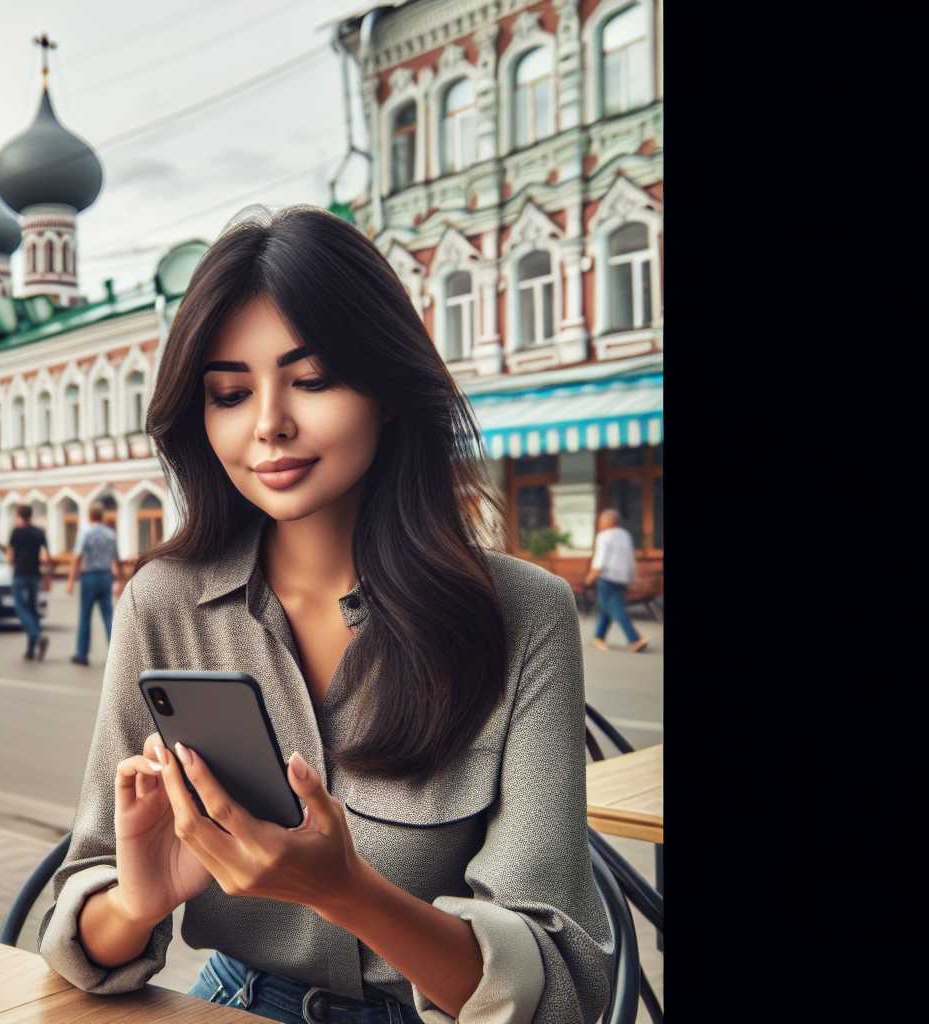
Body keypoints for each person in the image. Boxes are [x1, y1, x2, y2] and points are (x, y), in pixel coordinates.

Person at [35, 207, 610, 1024]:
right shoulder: (161, 603)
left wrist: (346, 892)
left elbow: (565, 987)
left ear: (387, 392)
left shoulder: (524, 615)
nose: (268, 422)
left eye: (312, 380)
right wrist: (135, 902)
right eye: (230, 393)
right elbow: (79, 920)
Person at [66, 505, 124, 667]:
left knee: (85, 615)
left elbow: (77, 557)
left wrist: (71, 580)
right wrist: (120, 580)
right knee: (108, 616)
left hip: (89, 576)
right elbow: (117, 559)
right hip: (106, 576)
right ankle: (117, 655)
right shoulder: (110, 534)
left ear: (90, 516)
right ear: (102, 516)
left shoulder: (85, 532)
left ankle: (82, 654)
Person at [584, 509, 647, 653]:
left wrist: (591, 575)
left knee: (614, 609)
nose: (599, 523)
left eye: (601, 520)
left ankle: (634, 639)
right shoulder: (625, 535)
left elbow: (600, 558)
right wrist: (631, 577)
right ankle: (599, 637)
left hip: (607, 577)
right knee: (609, 607)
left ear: (608, 521)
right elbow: (630, 558)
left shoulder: (604, 536)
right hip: (622, 578)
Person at [8, 507, 50, 660]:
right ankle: (31, 651)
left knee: (21, 609)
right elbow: (46, 555)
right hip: (35, 575)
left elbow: (10, 556)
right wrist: (48, 577)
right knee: (33, 611)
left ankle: (38, 637)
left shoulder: (16, 532)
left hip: (20, 574)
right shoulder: (39, 532)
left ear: (20, 516)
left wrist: (12, 562)